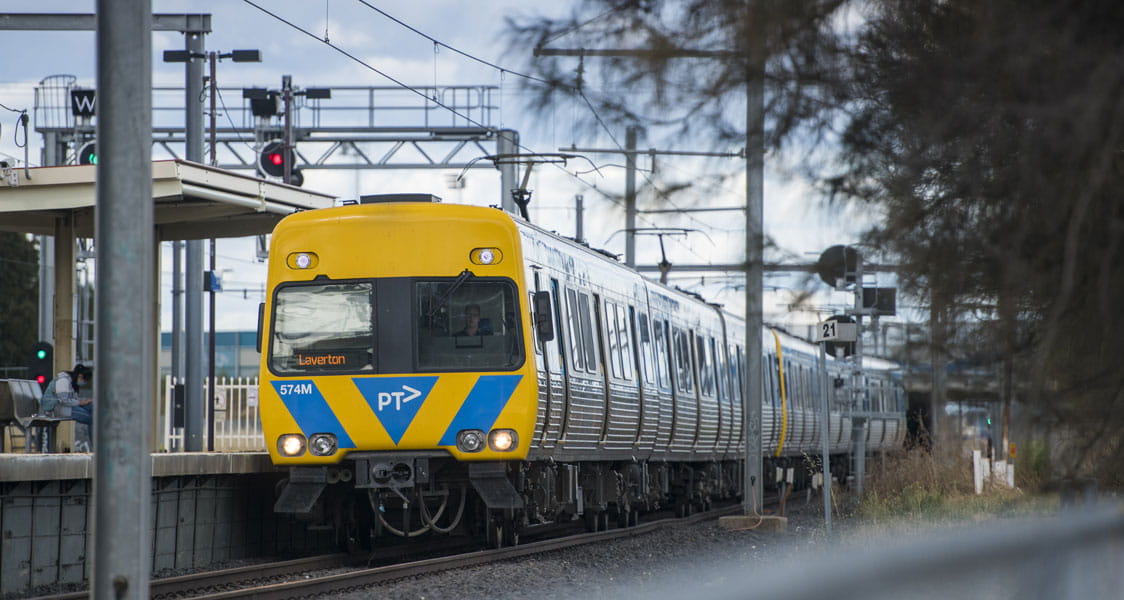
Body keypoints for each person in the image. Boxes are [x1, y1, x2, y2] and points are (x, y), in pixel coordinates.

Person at [40, 364, 94, 451]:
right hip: (58, 408)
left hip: (67, 407)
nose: (84, 382)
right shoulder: (63, 381)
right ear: (80, 376)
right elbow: (63, 400)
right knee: (92, 419)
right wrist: (80, 402)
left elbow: (72, 399)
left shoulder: (71, 382)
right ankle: (95, 447)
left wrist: (84, 401)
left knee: (92, 407)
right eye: (85, 380)